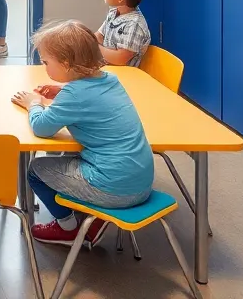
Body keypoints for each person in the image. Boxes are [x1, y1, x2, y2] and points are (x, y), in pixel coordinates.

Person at [15, 21, 153, 247]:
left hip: (115, 191)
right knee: (67, 159)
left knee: (36, 171)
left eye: (46, 62)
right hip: (141, 183)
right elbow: (89, 98)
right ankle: (93, 216)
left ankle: (68, 228)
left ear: (67, 64)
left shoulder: (75, 95)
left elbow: (41, 127)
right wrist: (62, 91)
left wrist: (34, 104)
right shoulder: (110, 79)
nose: (44, 67)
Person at [97, 0, 151, 67]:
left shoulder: (134, 25)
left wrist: (96, 48)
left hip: (122, 76)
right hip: (106, 68)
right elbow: (99, 36)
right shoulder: (114, 12)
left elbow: (119, 59)